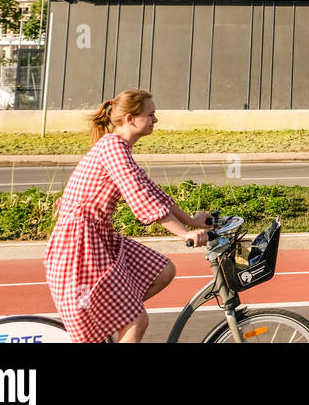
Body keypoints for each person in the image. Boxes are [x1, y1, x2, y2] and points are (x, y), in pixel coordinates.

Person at [44, 89, 211, 343]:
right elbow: (140, 198)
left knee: (163, 271)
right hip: (79, 244)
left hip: (98, 237)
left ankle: (109, 315)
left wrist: (192, 221)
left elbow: (150, 190)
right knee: (137, 319)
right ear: (131, 119)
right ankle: (114, 317)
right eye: (151, 114)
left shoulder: (119, 147)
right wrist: (185, 234)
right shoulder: (112, 147)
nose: (156, 120)